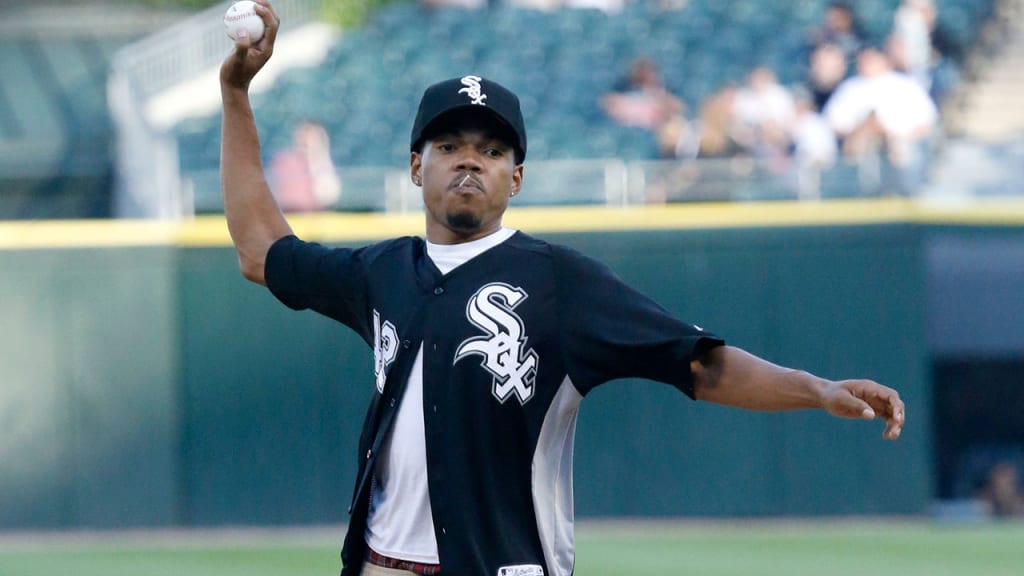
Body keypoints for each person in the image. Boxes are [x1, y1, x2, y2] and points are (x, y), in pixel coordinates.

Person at [220, 3, 906, 575]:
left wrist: (815, 388)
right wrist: (236, 95)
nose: (470, 159)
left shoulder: (559, 283)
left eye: (492, 150)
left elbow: (698, 362)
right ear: (415, 166)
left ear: (515, 179)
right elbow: (262, 252)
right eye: (451, 143)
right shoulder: (382, 272)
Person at [268, 119, 341, 213]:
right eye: (303, 136)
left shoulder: (326, 163)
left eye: (312, 137)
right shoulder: (283, 162)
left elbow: (328, 196)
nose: (306, 141)